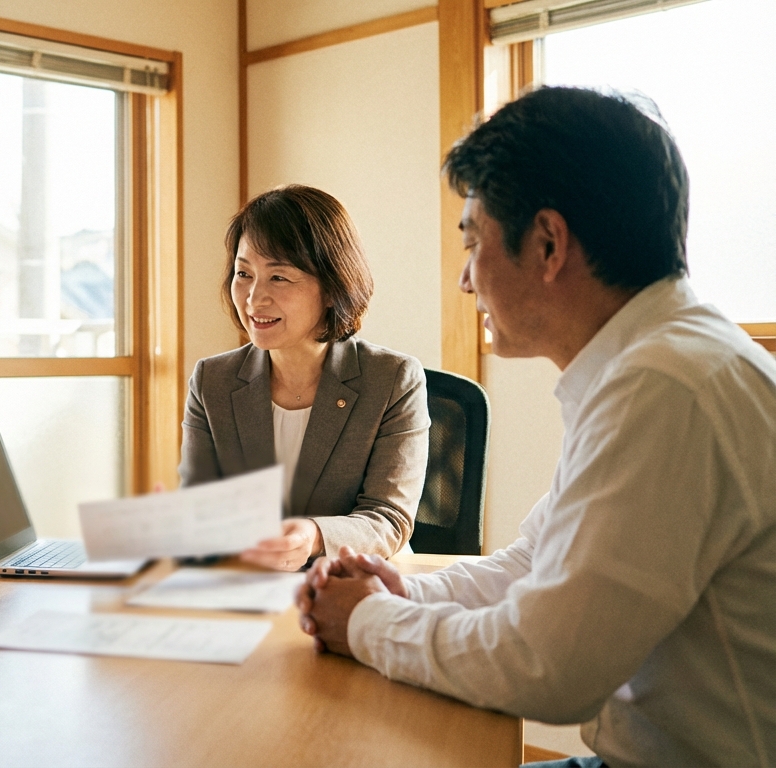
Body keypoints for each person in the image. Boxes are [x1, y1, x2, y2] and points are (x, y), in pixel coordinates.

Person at [298, 87, 776, 767]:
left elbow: (546, 665)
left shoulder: (666, 387)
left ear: (549, 243)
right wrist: (405, 588)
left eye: (473, 241)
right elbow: (536, 564)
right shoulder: (658, 360)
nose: (465, 279)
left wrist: (366, 619)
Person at [180, 185, 430, 571]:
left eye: (278, 277)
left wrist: (312, 535)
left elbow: (388, 518)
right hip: (248, 586)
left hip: (358, 583)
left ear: (332, 287)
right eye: (244, 273)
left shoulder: (393, 379)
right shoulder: (212, 380)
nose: (254, 298)